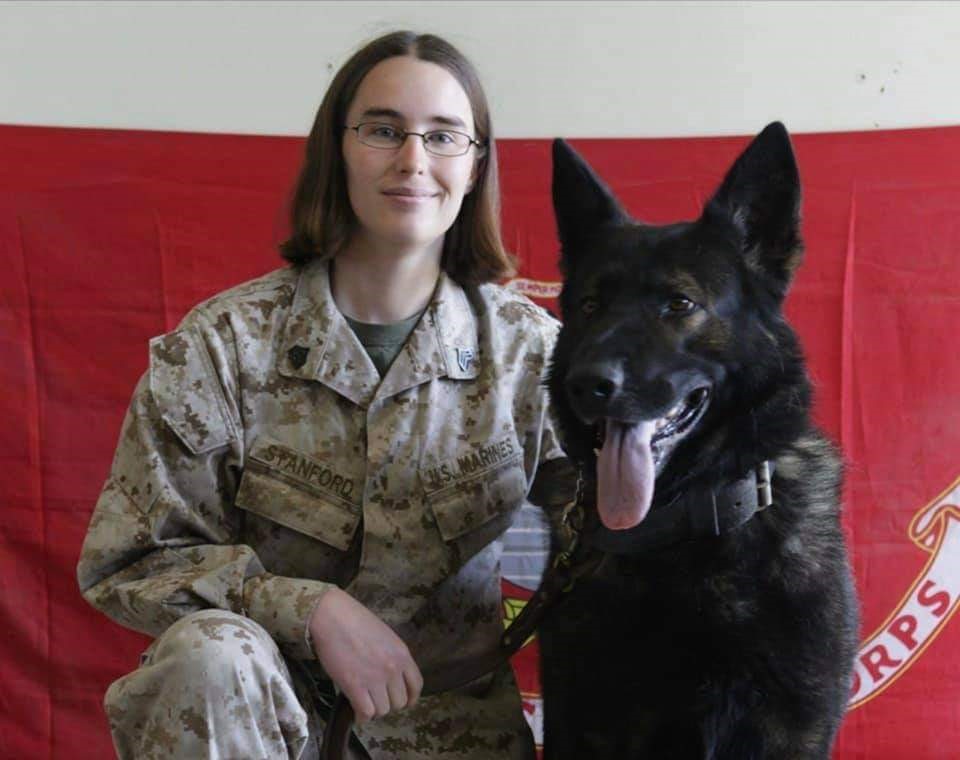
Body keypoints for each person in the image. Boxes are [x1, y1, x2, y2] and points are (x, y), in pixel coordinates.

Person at [77, 30, 569, 760]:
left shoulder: (533, 355)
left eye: (443, 136)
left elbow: (624, 541)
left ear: (474, 167)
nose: (412, 160)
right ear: (336, 150)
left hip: (452, 733)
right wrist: (308, 609)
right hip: (265, 726)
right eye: (382, 130)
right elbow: (130, 561)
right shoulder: (223, 347)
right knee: (208, 655)